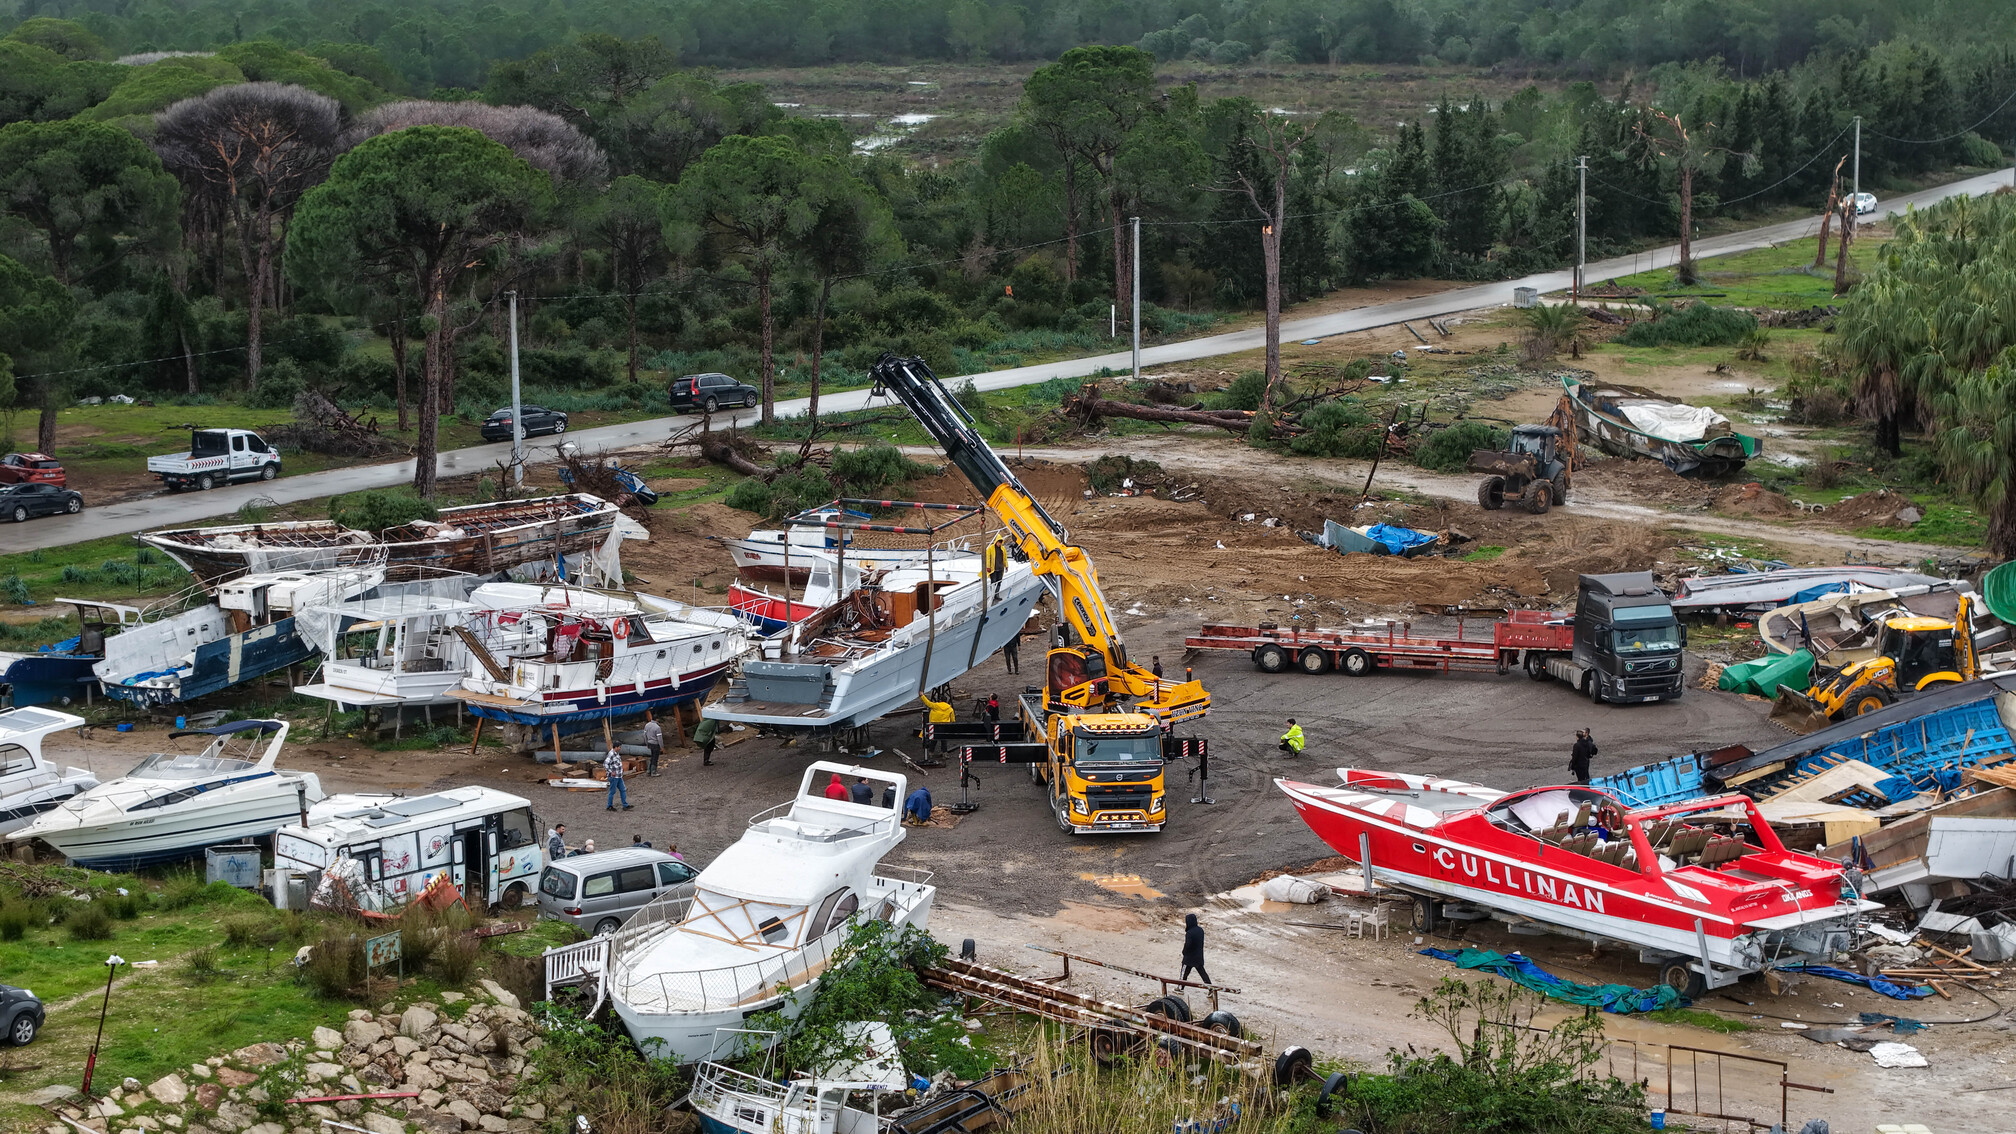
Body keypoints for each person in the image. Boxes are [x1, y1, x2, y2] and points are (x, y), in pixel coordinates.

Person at [1180, 913, 1210, 985]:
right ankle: (1211, 988)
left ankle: (1180, 987)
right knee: (1203, 974)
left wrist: (1184, 952)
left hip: (1189, 957)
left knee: (1184, 974)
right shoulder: (1200, 930)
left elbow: (1188, 944)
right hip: (1199, 956)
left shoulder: (1189, 933)